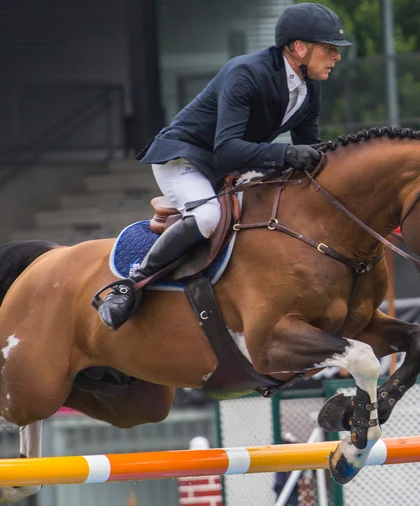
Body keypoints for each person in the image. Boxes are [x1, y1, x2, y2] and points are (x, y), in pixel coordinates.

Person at [96, 3, 352, 331]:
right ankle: (130, 285)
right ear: (300, 48)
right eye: (330, 49)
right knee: (207, 217)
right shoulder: (245, 73)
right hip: (185, 159)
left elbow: (310, 149)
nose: (337, 57)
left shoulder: (309, 88)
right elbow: (228, 148)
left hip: (227, 166)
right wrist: (287, 155)